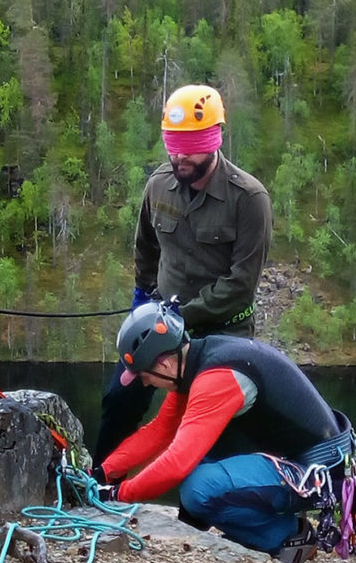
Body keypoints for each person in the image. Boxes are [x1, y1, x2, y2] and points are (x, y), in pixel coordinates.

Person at [91, 301, 356, 563]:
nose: (144, 382)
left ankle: (289, 537)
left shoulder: (218, 377)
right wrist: (102, 473)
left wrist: (119, 494)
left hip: (320, 472)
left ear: (163, 364)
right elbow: (159, 431)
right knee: (202, 463)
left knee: (197, 488)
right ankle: (268, 528)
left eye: (143, 375)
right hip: (303, 460)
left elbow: (177, 462)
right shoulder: (194, 362)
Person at [93, 84, 273, 464]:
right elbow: (146, 249)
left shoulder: (249, 200)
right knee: (120, 397)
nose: (180, 155)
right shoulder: (158, 185)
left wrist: (177, 318)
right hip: (161, 324)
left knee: (211, 430)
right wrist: (143, 304)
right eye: (173, 145)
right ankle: (98, 486)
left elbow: (241, 286)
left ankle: (222, 508)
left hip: (223, 332)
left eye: (191, 145)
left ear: (214, 140)